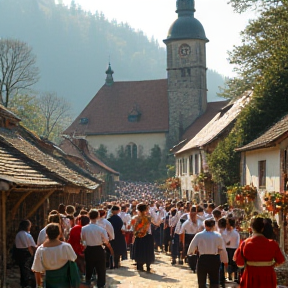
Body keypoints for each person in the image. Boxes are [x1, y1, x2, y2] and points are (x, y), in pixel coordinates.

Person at [234, 217, 285, 288]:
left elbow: (240, 264)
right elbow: (281, 260)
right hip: (268, 275)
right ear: (262, 229)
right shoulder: (273, 244)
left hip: (251, 275)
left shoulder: (245, 243)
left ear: (251, 228)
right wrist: (271, 265)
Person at [32, 223, 78, 288]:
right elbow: (73, 260)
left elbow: (36, 270)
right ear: (59, 234)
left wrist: (39, 285)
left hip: (49, 282)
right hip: (65, 282)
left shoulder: (40, 250)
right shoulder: (66, 247)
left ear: (46, 234)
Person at [187, 218, 228, 288]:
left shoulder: (199, 235)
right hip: (214, 259)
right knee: (214, 281)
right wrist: (225, 261)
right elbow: (222, 249)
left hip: (203, 259)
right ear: (214, 225)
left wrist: (190, 253)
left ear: (205, 225)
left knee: (201, 281)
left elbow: (191, 247)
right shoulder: (218, 236)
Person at [81, 209, 114, 287]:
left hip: (88, 249)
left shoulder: (84, 228)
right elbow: (106, 241)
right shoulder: (101, 229)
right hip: (99, 249)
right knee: (101, 268)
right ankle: (101, 284)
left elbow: (82, 239)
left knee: (89, 266)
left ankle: (88, 281)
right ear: (98, 216)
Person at [131, 203, 155, 272]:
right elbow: (156, 223)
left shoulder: (134, 218)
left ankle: (139, 265)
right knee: (148, 251)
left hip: (138, 236)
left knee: (139, 251)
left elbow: (131, 227)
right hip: (147, 236)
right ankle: (148, 266)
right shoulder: (148, 218)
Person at [15, 219, 37, 288]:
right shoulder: (25, 234)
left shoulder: (19, 234)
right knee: (27, 269)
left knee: (23, 269)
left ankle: (24, 283)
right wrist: (32, 254)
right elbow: (29, 246)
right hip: (25, 253)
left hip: (19, 253)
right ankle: (28, 283)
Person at [225, 217, 240, 282]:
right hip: (232, 248)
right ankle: (232, 276)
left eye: (227, 223)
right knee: (231, 263)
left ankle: (233, 275)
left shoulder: (233, 232)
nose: (226, 225)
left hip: (231, 249)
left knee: (231, 263)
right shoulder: (234, 232)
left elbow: (227, 242)